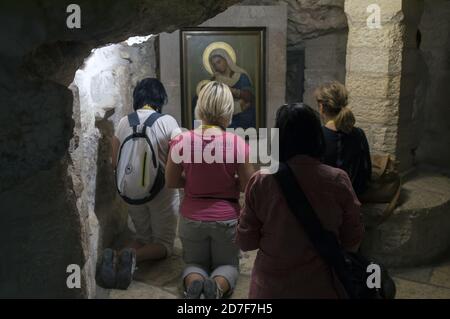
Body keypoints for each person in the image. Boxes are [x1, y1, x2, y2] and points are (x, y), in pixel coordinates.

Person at [236, 103, 364, 299]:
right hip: (322, 287)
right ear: (317, 137)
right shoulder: (338, 180)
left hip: (271, 289)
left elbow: (246, 242)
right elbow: (352, 238)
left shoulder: (261, 181)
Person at [165, 81, 255, 299]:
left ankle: (195, 283)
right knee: (228, 265)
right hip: (226, 218)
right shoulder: (236, 143)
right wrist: (228, 182)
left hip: (191, 217)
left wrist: (195, 181)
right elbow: (248, 186)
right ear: (228, 109)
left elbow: (171, 180)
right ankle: (216, 287)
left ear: (200, 106)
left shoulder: (181, 141)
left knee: (193, 264)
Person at [108, 78, 181, 285]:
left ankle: (115, 256)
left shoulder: (124, 122)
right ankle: (130, 258)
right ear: (160, 98)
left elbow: (115, 161)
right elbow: (178, 158)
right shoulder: (168, 122)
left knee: (142, 237)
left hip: (130, 192)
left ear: (137, 98)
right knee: (164, 244)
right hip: (161, 192)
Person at [315, 81, 372, 197]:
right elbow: (366, 172)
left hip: (324, 199)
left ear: (321, 107)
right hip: (353, 196)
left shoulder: (316, 136)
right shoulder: (359, 134)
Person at [208, 49, 255, 127]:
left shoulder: (241, 77)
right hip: (224, 120)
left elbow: (250, 97)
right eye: (214, 64)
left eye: (219, 62)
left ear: (226, 59)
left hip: (244, 119)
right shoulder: (214, 81)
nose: (217, 66)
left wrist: (232, 91)